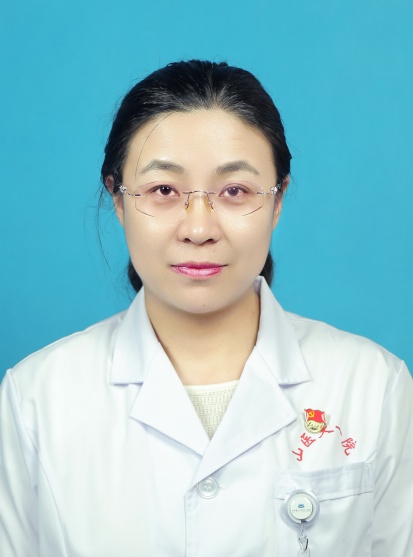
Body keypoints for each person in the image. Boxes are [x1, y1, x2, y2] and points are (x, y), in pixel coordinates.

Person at [0, 60, 412, 557]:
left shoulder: (374, 387)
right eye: (163, 191)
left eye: (235, 191)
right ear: (118, 200)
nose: (198, 229)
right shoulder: (35, 399)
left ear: (278, 199)